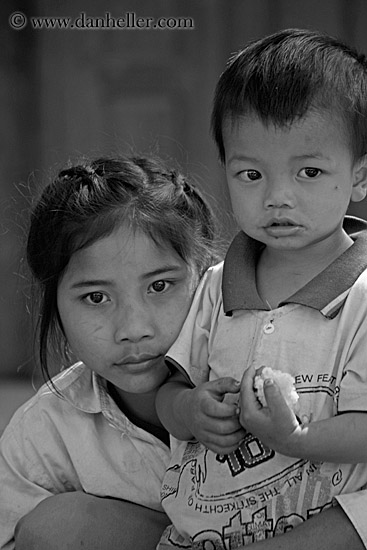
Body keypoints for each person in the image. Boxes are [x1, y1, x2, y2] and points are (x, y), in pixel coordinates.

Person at [156, 28, 367, 548]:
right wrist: (191, 412)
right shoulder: (214, 286)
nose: (277, 197)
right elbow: (169, 390)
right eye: (250, 174)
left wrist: (297, 439)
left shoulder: (363, 294)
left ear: (360, 177)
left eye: (310, 172)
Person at [0, 155, 220, 550]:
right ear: (55, 301)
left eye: (159, 286)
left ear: (206, 274)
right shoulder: (44, 436)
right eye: (96, 297)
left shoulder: (268, 373)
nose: (133, 329)